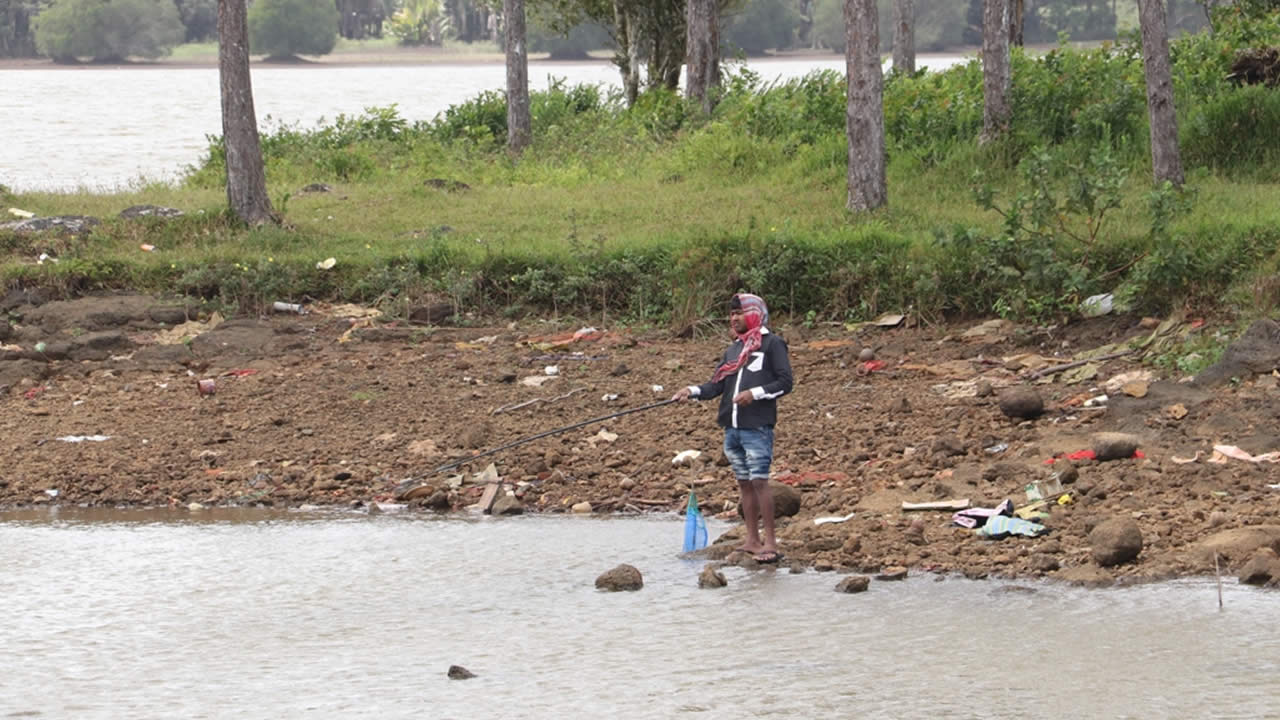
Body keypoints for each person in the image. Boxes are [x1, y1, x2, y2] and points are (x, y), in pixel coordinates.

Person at [672, 293, 793, 563]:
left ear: (754, 313)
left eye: (739, 313)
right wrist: (691, 391)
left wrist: (756, 393)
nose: (734, 318)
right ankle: (752, 539)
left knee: (761, 482)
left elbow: (785, 382)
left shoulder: (772, 345)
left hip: (757, 426)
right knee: (744, 484)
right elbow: (716, 386)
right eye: (731, 314)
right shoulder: (734, 350)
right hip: (732, 427)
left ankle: (770, 543)